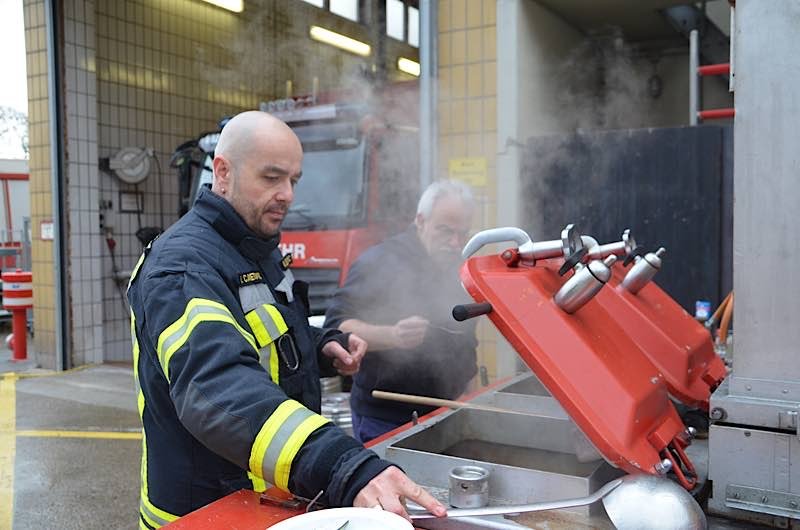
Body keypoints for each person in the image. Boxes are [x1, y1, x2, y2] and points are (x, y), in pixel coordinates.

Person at [127, 111, 445, 529]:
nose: (288, 195)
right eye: (271, 177)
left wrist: (322, 346)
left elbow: (265, 330)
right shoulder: (182, 267)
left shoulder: (256, 248)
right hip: (201, 513)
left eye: (294, 180)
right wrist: (341, 465)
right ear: (222, 172)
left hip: (262, 499)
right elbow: (218, 388)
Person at [325, 180, 479, 443]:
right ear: (420, 220)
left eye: (462, 233)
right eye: (445, 231)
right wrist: (393, 335)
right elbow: (336, 328)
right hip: (385, 418)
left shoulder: (460, 266)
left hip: (450, 410)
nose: (455, 242)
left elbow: (465, 340)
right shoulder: (379, 262)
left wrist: (472, 391)